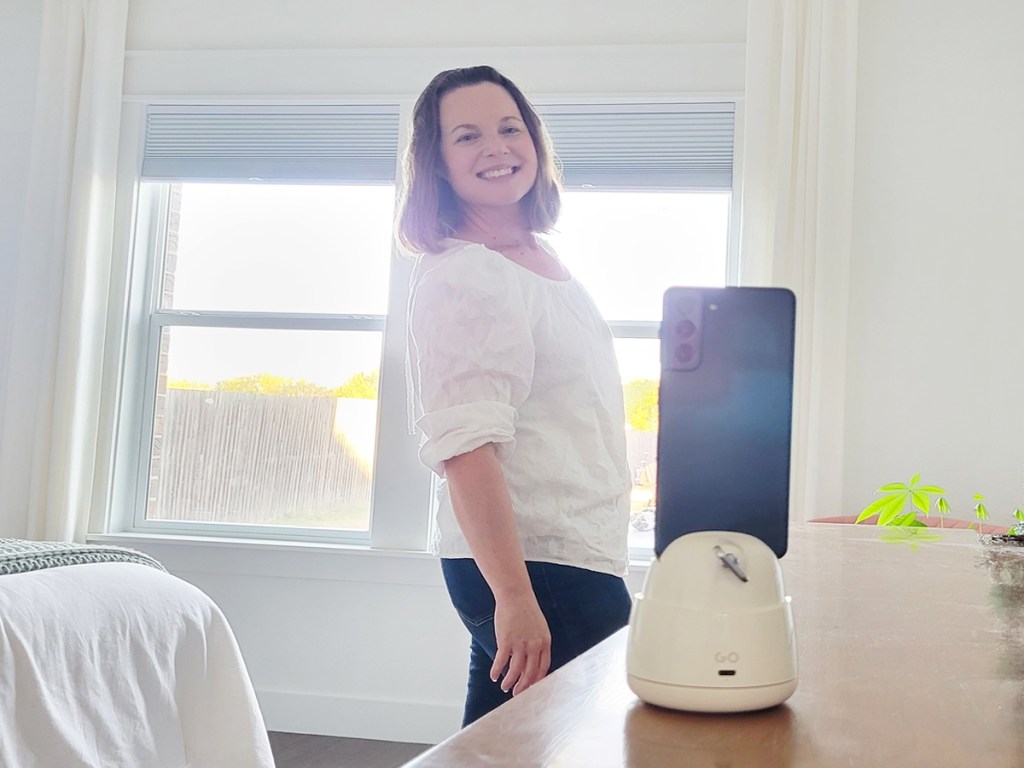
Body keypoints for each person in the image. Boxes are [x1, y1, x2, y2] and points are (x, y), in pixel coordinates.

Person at [397, 65, 633, 727]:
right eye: (467, 136)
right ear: (439, 166)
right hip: (535, 564)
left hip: (568, 555)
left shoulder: (540, 261)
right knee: (568, 742)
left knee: (502, 746)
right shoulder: (466, 274)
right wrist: (514, 595)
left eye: (509, 127)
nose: (496, 146)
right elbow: (465, 446)